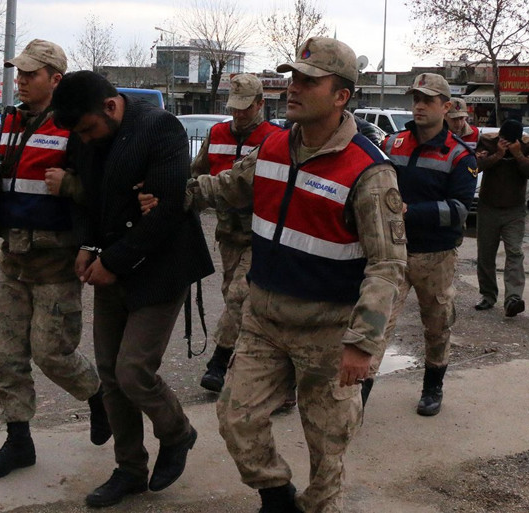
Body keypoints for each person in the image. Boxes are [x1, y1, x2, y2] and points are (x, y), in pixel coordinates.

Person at [188, 37, 406, 512]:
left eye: (310, 81)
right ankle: (275, 494)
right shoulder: (272, 146)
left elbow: (387, 265)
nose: (294, 88)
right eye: (293, 78)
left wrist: (361, 341)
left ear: (341, 95)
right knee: (235, 418)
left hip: (328, 330)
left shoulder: (369, 171)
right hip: (264, 319)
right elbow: (224, 187)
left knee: (328, 443)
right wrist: (168, 192)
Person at [50, 71, 214, 508]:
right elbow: (83, 196)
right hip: (109, 266)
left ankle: (178, 433)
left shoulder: (160, 128)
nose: (83, 140)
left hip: (161, 267)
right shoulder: (84, 134)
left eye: (87, 129)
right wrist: (88, 245)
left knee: (133, 370)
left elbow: (166, 210)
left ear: (109, 106)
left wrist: (113, 261)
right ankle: (130, 470)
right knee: (109, 375)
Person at [0, 39, 110, 482]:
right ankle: (19, 441)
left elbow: (104, 189)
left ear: (56, 78)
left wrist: (70, 185)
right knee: (4, 354)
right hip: (12, 257)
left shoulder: (75, 126)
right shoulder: (11, 119)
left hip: (55, 259)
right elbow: (7, 172)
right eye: (20, 74)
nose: (22, 81)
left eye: (31, 75)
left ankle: (99, 397)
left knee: (52, 352)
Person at [378, 73, 477, 416]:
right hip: (392, 250)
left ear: (446, 107)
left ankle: (433, 386)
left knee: (437, 323)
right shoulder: (392, 143)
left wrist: (410, 211)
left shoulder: (460, 156)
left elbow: (461, 209)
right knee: (377, 320)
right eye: (415, 99)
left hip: (435, 255)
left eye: (428, 100)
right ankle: (357, 392)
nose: (419, 105)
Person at [192, 74, 283, 393]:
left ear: (261, 103)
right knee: (238, 300)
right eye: (235, 107)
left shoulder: (273, 138)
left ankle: (218, 362)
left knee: (238, 296)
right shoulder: (216, 133)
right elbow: (197, 173)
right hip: (227, 234)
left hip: (261, 232)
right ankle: (255, 361)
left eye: (246, 107)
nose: (239, 114)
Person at [473, 119, 529, 317]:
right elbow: (476, 166)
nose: (505, 142)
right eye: (502, 139)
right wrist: (498, 155)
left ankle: (513, 298)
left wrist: (518, 154)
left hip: (514, 208)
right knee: (485, 254)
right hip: (488, 206)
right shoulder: (486, 141)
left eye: (509, 141)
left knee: (514, 253)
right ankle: (488, 295)